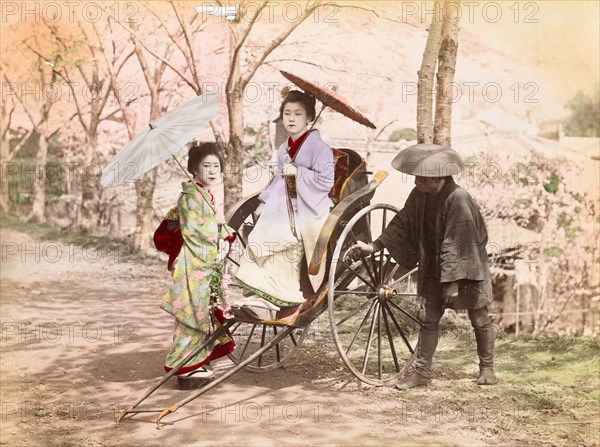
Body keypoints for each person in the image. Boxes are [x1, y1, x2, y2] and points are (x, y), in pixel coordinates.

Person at [348, 143, 498, 389]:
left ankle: (487, 369)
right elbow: (402, 222)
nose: (416, 183)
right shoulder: (420, 195)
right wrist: (374, 247)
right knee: (428, 318)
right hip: (433, 264)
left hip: (467, 265)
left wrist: (451, 282)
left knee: (479, 317)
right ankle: (422, 373)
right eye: (416, 178)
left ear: (437, 178)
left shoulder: (458, 198)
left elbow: (457, 241)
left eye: (421, 179)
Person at [234, 89, 335, 316]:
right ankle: (260, 294)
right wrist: (264, 201)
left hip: (308, 208)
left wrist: (298, 172)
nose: (291, 118)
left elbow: (325, 182)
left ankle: (280, 295)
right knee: (261, 232)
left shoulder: (320, 149)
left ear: (309, 117)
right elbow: (276, 181)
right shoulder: (283, 149)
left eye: (298, 114)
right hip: (281, 206)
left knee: (279, 236)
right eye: (287, 113)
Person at [160, 142, 235, 375]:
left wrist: (222, 229)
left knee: (204, 312)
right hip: (193, 263)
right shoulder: (190, 196)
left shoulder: (203, 194)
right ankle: (183, 366)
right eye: (206, 166)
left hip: (201, 264)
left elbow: (211, 226)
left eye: (216, 166)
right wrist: (219, 225)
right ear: (194, 168)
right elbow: (195, 231)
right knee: (192, 315)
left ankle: (197, 359)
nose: (212, 170)